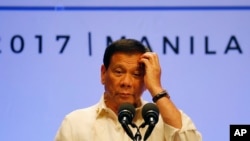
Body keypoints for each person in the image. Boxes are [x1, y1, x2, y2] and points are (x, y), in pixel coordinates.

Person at [54, 39, 202, 141]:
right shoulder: (76, 123)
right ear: (103, 74)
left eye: (136, 74)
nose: (126, 82)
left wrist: (156, 88)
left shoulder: (161, 120)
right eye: (118, 72)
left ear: (146, 79)